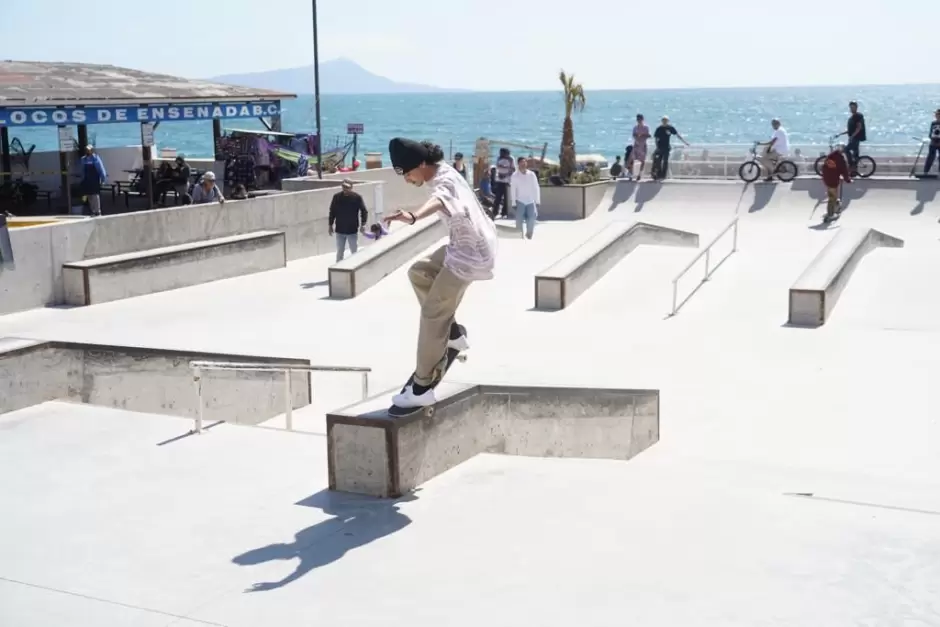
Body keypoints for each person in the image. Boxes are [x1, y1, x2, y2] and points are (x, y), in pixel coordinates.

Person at [384, 137, 498, 408]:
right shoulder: (442, 168)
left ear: (422, 164)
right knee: (420, 272)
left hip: (469, 257)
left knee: (433, 313)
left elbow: (440, 200)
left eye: (407, 172)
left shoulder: (444, 182)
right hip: (466, 245)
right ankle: (454, 335)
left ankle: (422, 387)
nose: (407, 179)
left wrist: (413, 217)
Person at [328, 179, 368, 262]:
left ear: (351, 187)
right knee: (339, 252)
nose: (345, 189)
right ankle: (338, 270)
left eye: (347, 187)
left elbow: (364, 211)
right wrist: (330, 225)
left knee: (354, 252)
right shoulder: (337, 197)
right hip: (340, 229)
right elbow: (332, 211)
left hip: (352, 230)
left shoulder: (357, 197)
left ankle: (355, 269)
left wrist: (363, 224)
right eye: (343, 187)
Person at [510, 156, 540, 240]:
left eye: (525, 162)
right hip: (520, 201)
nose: (523, 164)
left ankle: (529, 234)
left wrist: (537, 200)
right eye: (521, 162)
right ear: (518, 164)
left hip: (530, 200)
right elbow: (513, 190)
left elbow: (536, 187)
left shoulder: (531, 174)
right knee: (519, 220)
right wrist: (513, 202)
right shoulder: (515, 176)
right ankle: (519, 236)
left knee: (532, 217)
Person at [651, 116, 689, 180]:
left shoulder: (670, 128)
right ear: (662, 121)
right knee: (658, 161)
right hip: (660, 147)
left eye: (666, 120)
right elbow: (656, 138)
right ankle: (658, 174)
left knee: (665, 161)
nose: (664, 122)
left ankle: (663, 175)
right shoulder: (659, 129)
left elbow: (677, 135)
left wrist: (685, 142)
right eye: (663, 120)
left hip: (667, 147)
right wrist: (657, 147)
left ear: (668, 121)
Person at [820, 144, 852, 220]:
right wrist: (848, 180)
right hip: (833, 180)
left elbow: (825, 167)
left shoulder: (830, 156)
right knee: (832, 198)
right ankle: (830, 214)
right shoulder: (841, 159)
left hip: (827, 179)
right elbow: (844, 171)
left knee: (831, 195)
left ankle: (832, 210)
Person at [78, 145, 107, 217]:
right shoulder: (83, 159)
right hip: (86, 180)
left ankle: (98, 211)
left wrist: (103, 179)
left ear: (92, 150)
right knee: (89, 196)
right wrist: (81, 180)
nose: (87, 151)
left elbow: (101, 169)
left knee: (95, 195)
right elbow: (82, 171)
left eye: (89, 150)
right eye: (86, 150)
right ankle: (93, 210)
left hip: (94, 179)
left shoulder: (96, 158)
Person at [838, 101, 866, 174]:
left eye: (853, 107)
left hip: (856, 138)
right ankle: (854, 171)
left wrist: (852, 136)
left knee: (846, 150)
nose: (851, 109)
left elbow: (859, 127)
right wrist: (841, 133)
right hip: (853, 138)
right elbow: (851, 130)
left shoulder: (858, 116)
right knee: (855, 154)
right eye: (850, 107)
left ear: (856, 107)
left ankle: (851, 166)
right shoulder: (853, 117)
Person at [491, 147, 514, 219]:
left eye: (502, 153)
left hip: (507, 181)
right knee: (497, 197)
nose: (501, 154)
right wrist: (499, 174)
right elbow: (497, 166)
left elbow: (513, 169)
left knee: (506, 198)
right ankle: (495, 212)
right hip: (499, 180)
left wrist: (505, 175)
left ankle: (504, 212)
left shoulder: (511, 159)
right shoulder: (499, 158)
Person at [628, 114, 651, 180]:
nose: (639, 121)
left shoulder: (646, 127)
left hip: (643, 145)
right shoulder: (635, 127)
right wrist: (637, 138)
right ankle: (630, 173)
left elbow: (647, 135)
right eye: (638, 119)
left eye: (640, 119)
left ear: (642, 119)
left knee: (642, 161)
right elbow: (634, 135)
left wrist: (642, 136)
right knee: (632, 159)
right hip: (636, 145)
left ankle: (639, 174)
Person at [923, 109, 940, 176]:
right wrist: (932, 137)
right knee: (930, 157)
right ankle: (926, 171)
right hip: (933, 142)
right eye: (936, 114)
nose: (937, 116)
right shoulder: (933, 123)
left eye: (938, 114)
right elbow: (930, 133)